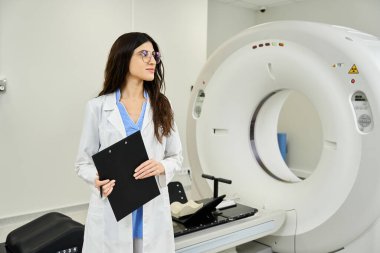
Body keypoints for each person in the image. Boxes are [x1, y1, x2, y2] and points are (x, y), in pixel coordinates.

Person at [75, 32, 183, 253]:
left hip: (152, 214)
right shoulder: (97, 107)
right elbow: (82, 163)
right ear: (123, 58)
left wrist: (162, 166)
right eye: (144, 54)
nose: (152, 60)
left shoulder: (162, 105)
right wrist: (96, 180)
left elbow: (176, 156)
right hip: (112, 213)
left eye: (154, 55)